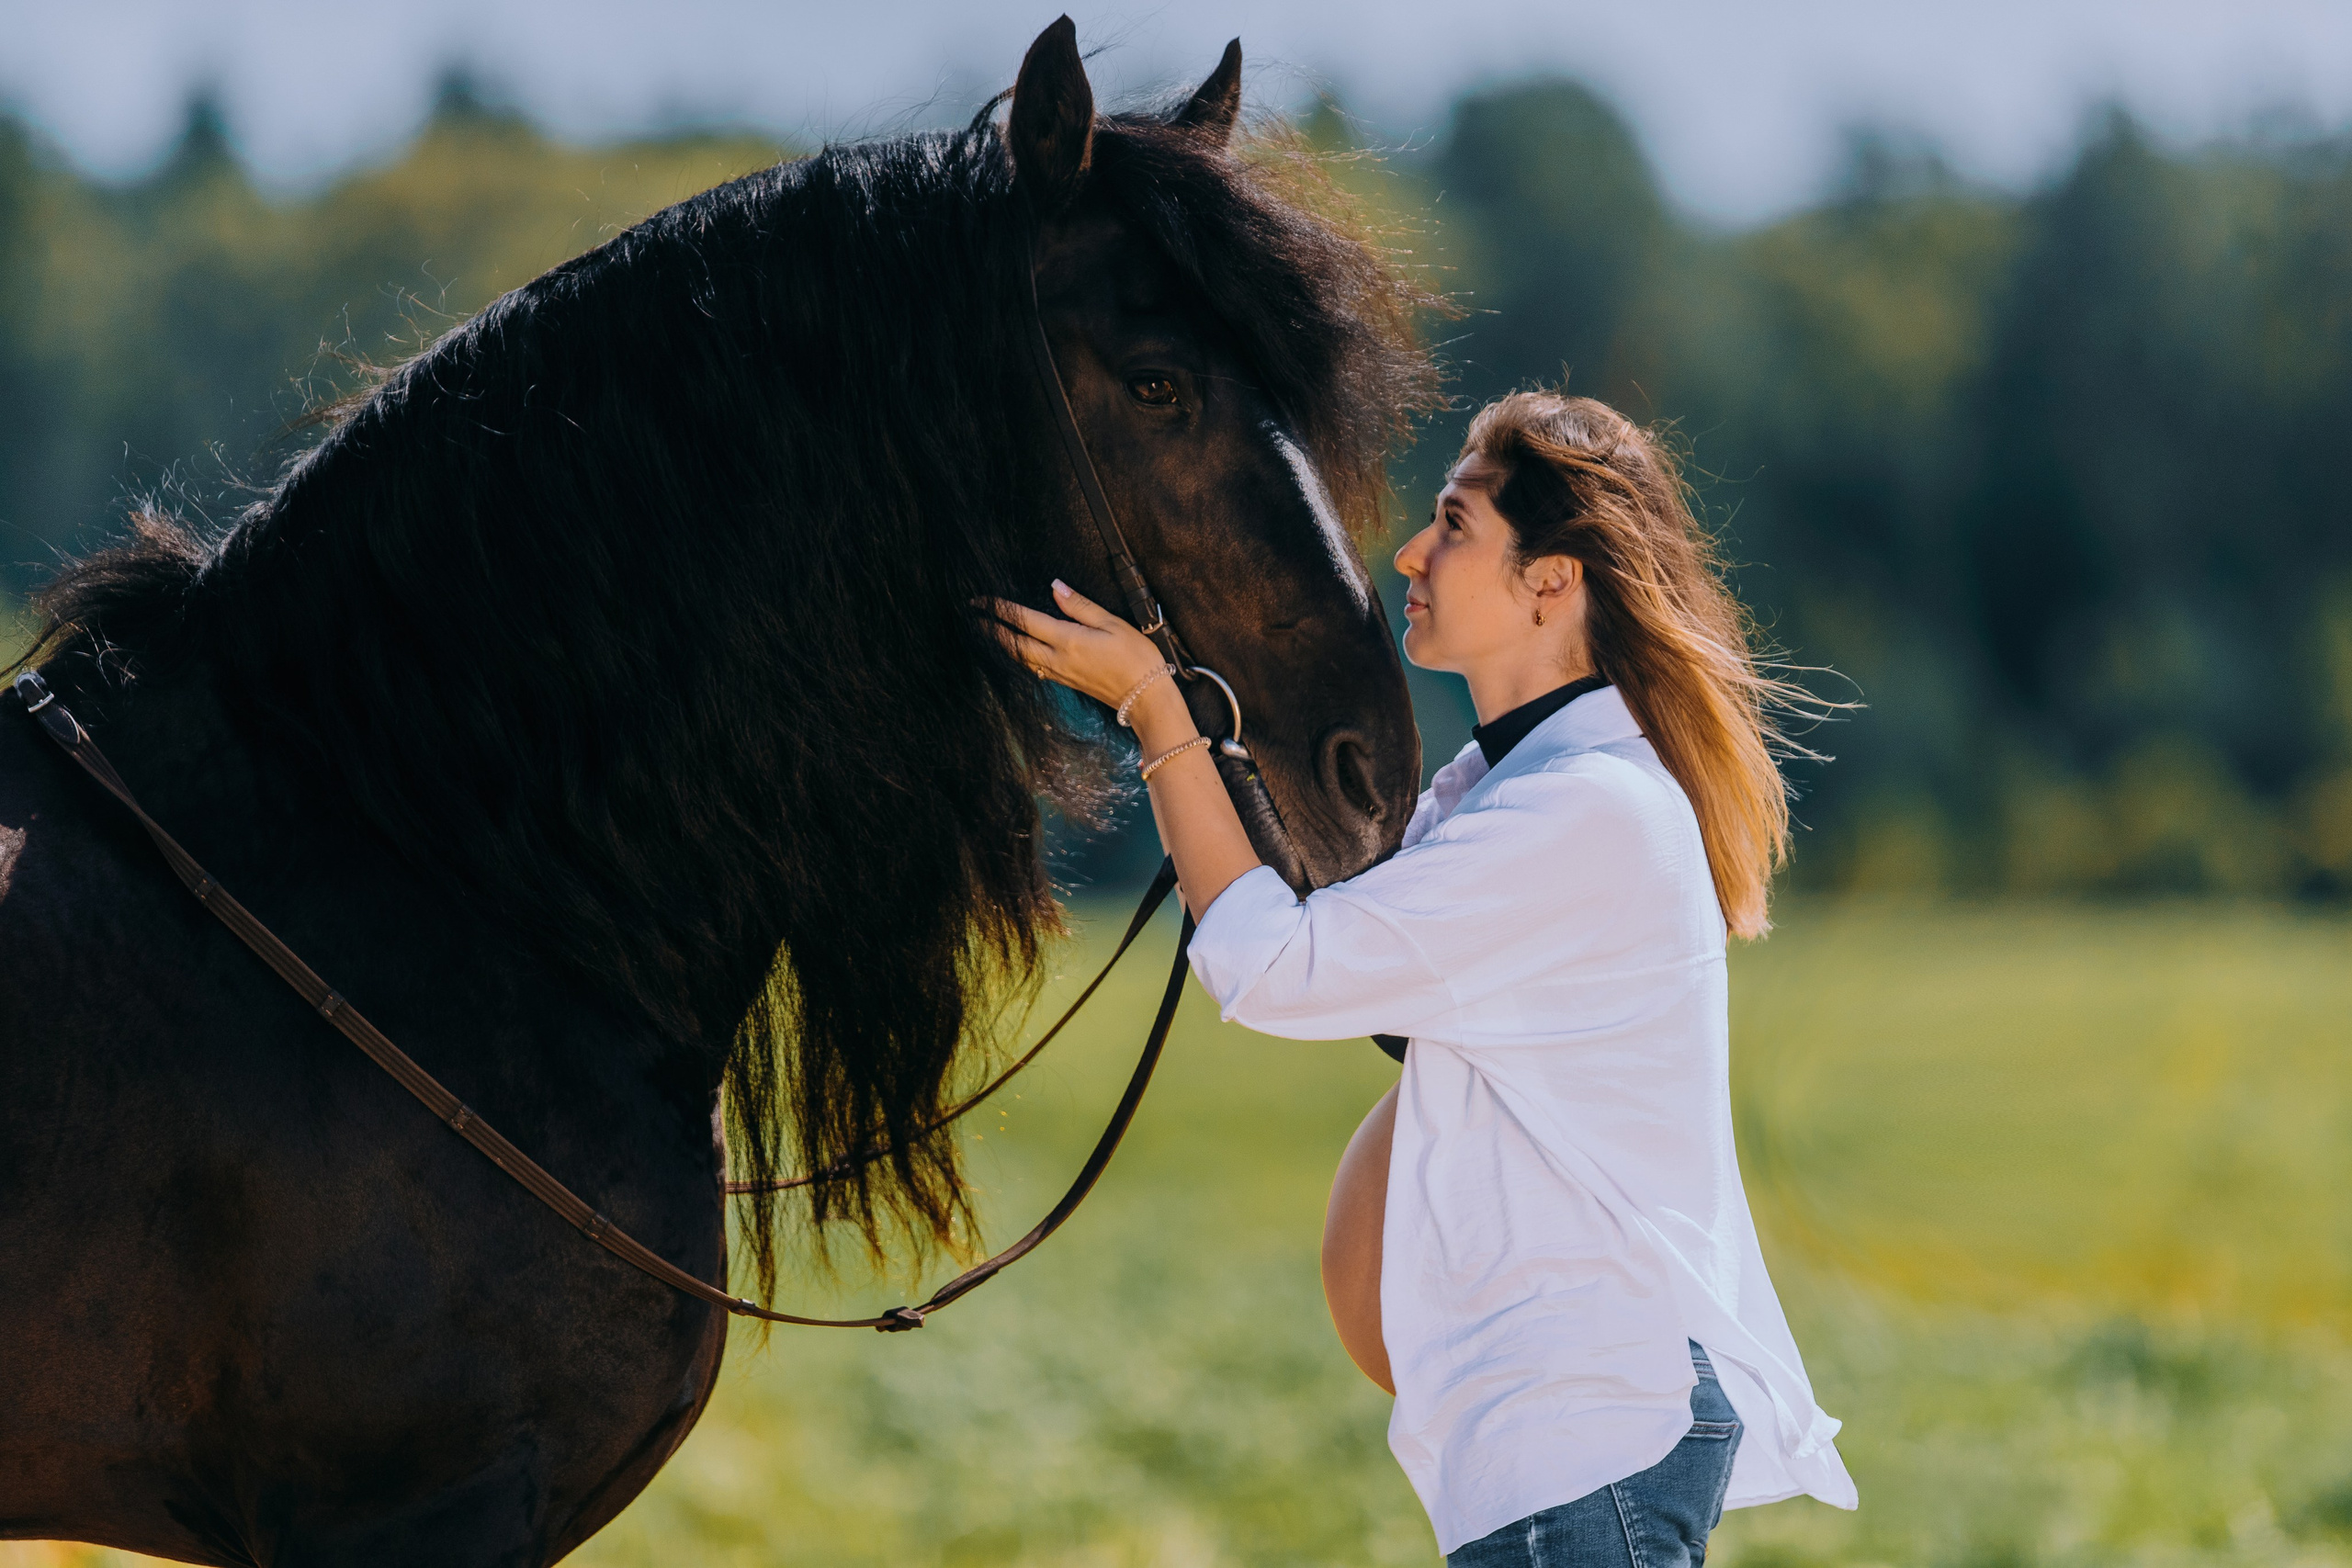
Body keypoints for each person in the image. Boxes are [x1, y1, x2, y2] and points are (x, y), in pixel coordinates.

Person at [992, 389, 1857, 1565]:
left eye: (1454, 523)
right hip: (1564, 1447)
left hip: (1582, 1443)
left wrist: (1156, 712)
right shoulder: (1501, 795)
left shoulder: (1578, 815)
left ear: (1550, 583)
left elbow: (1275, 967)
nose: (1410, 549)